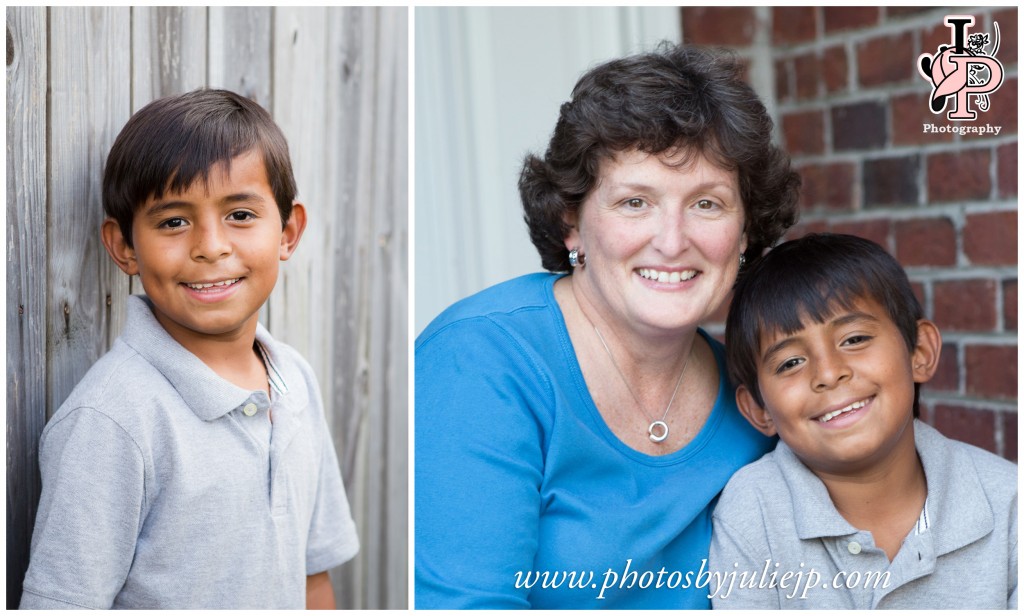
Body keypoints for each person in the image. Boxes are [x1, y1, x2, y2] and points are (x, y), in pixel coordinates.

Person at [416, 44, 800, 609]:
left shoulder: (754, 396)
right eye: (635, 202)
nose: (672, 241)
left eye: (708, 204)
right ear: (571, 222)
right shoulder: (479, 361)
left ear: (744, 234)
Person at [19, 89, 359, 609]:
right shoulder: (112, 420)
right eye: (173, 221)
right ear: (124, 246)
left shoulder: (295, 381)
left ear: (288, 232)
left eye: (240, 215)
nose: (210, 245)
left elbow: (313, 580)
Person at [710, 233, 1017, 609]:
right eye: (790, 362)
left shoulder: (1008, 502)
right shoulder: (753, 510)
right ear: (758, 409)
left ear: (919, 352)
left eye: (854, 339)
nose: (828, 373)